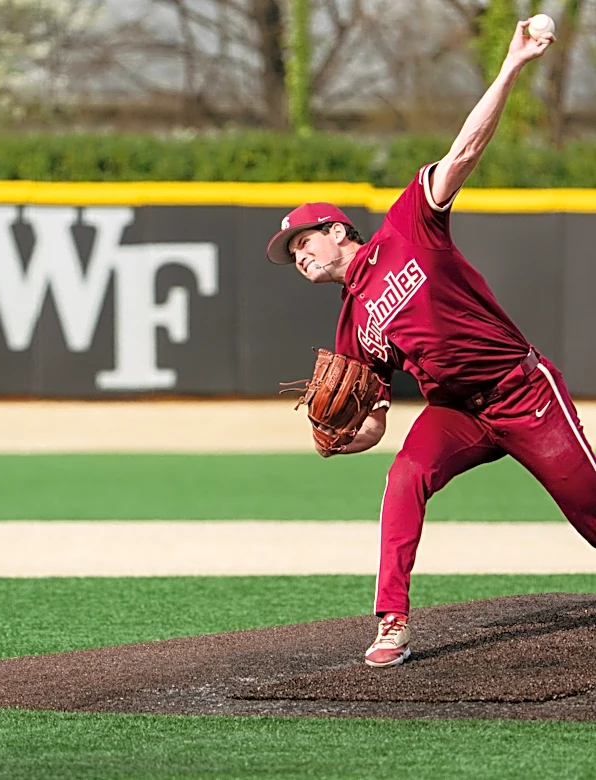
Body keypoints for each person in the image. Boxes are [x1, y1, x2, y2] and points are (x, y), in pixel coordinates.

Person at [266, 20, 595, 668]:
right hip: (456, 411)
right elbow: (378, 421)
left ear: (337, 230)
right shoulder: (352, 324)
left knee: (589, 510)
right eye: (291, 254)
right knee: (405, 476)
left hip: (523, 390)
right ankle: (392, 622)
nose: (299, 257)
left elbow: (466, 150)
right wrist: (342, 440)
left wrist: (511, 66)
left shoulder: (407, 227)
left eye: (303, 242)